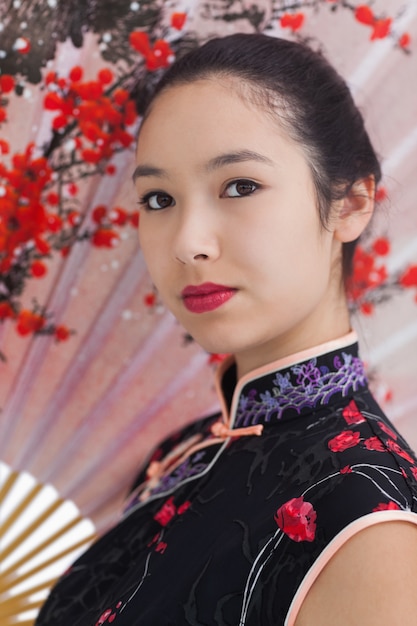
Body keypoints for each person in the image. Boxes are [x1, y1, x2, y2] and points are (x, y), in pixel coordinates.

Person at [36, 34, 417, 626]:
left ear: (350, 203)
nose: (188, 243)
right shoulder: (184, 452)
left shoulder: (372, 533)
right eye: (159, 198)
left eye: (240, 186)